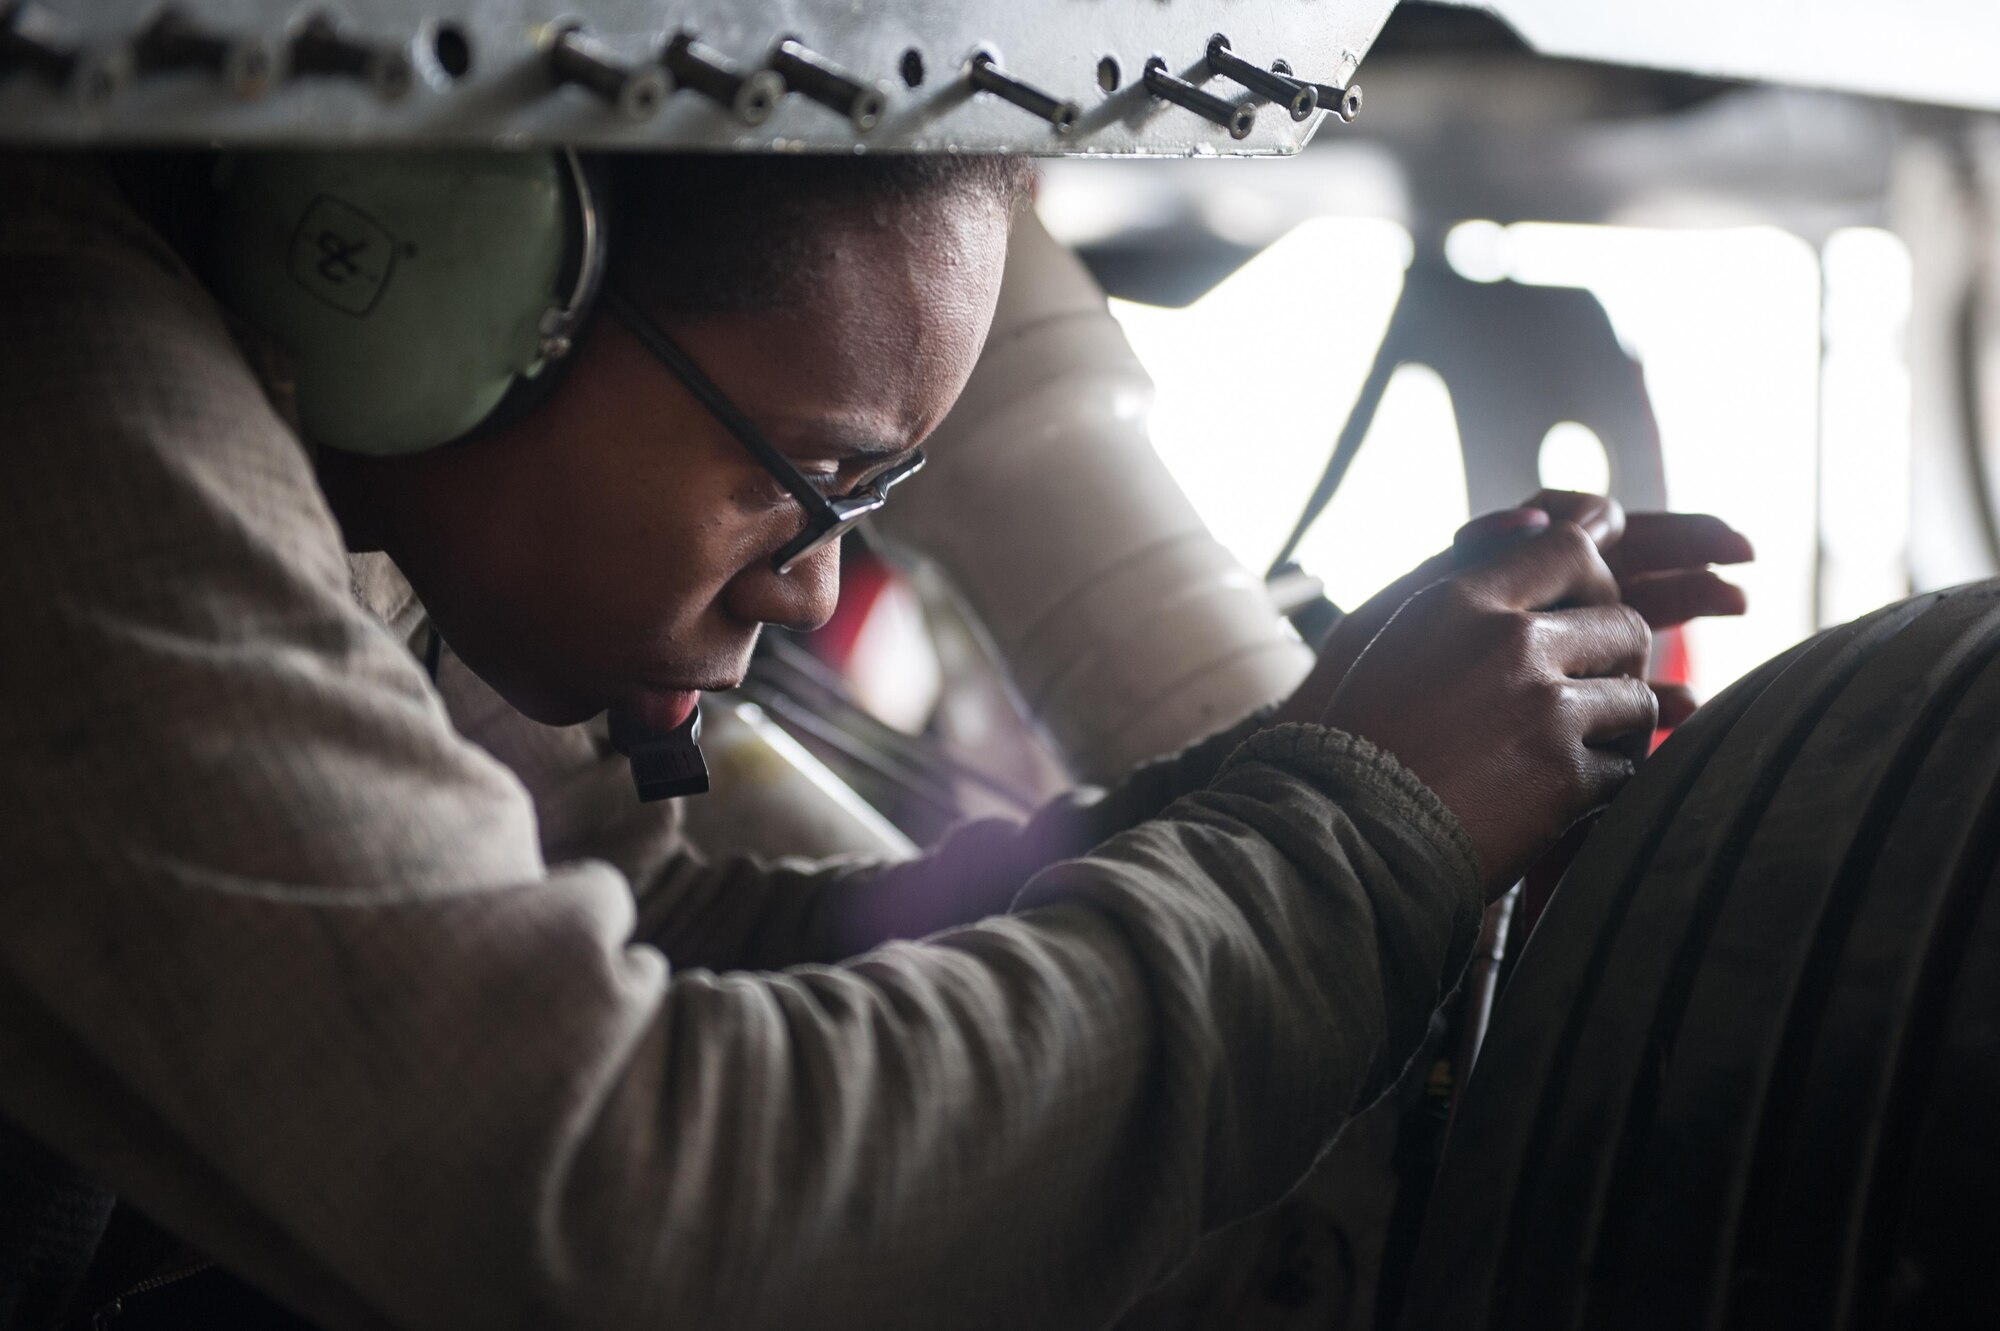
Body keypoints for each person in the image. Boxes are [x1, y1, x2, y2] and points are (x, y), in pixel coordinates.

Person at [0, 146, 1751, 1330]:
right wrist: (1353, 844)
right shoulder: (66, 406)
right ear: (447, 282)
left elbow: (664, 945)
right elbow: (618, 1196)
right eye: (807, 478)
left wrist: (1299, 757)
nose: (812, 584)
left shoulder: (349, 484)